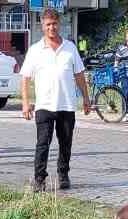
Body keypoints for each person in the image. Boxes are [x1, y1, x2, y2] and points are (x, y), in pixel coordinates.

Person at [20, 8, 91, 192]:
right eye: (48, 24)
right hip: (44, 105)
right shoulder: (35, 50)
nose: (51, 27)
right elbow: (25, 78)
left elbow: (79, 75)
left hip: (66, 105)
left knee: (65, 143)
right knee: (43, 143)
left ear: (59, 24)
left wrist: (86, 98)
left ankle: (63, 174)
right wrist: (26, 103)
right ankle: (39, 179)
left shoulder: (70, 48)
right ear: (42, 26)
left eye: (54, 24)